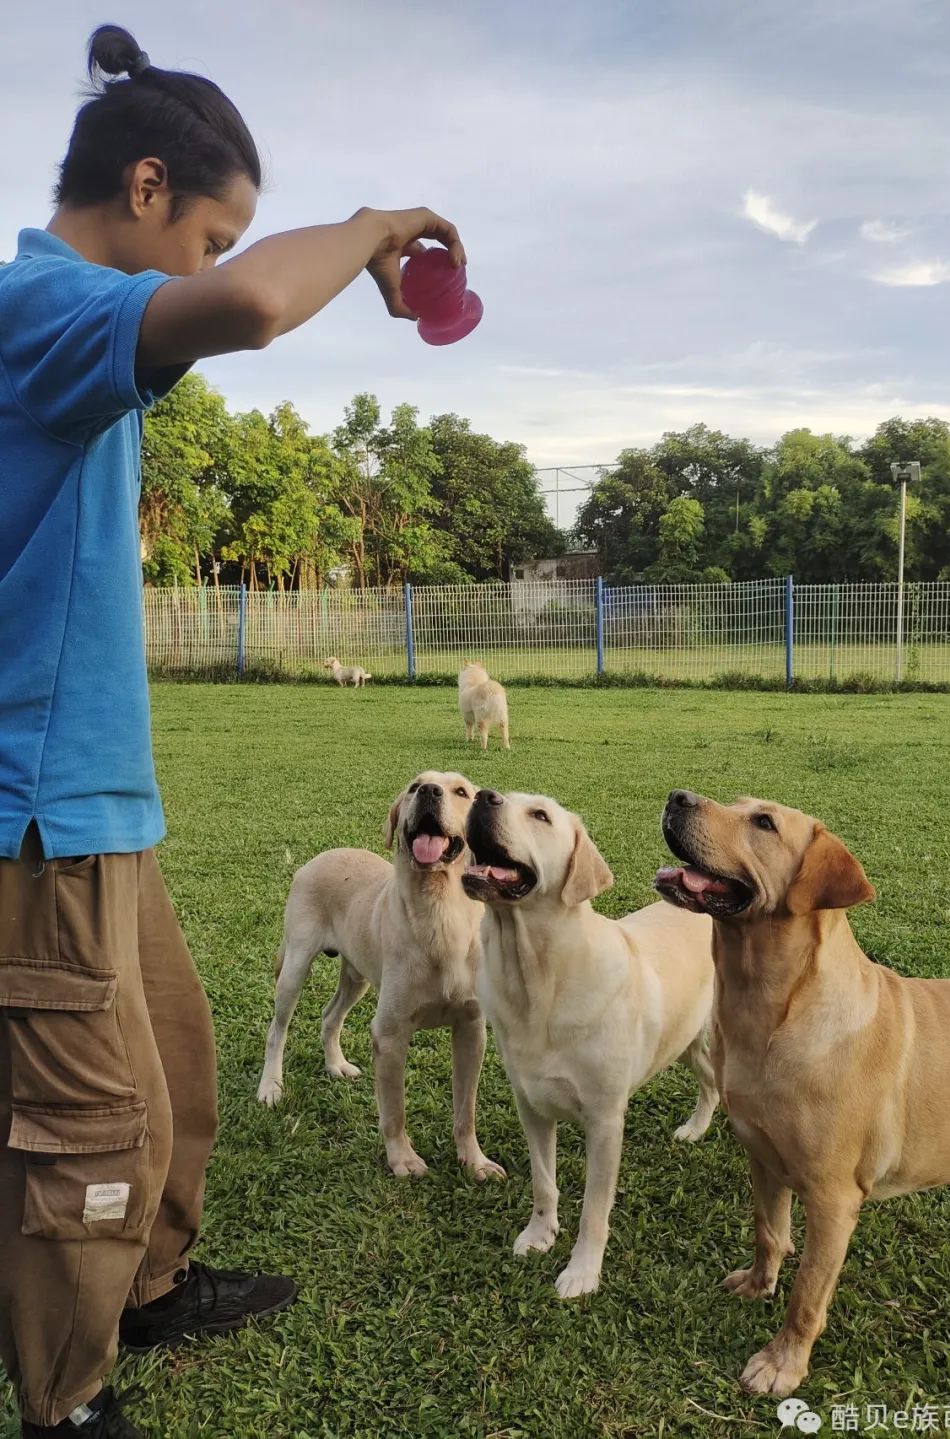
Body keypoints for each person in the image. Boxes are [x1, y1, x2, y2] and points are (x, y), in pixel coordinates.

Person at [0, 24, 468, 1438]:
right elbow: (255, 307)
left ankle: (145, 1290)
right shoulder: (40, 306)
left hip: (100, 801)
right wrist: (377, 225)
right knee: (88, 1122)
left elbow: (234, 304)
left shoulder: (87, 330)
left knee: (178, 1071)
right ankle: (68, 1400)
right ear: (145, 185)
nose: (211, 263)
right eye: (207, 230)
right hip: (36, 811)